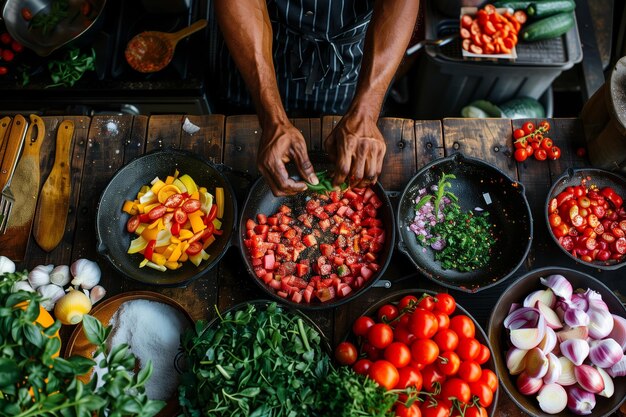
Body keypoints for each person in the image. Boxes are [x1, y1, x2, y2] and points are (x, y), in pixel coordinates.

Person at [215, 0, 420, 196]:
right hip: (258, 45)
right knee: (241, 127)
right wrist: (271, 118)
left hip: (352, 60)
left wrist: (365, 112)